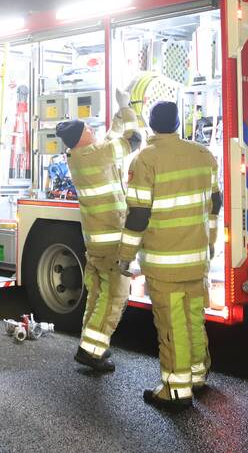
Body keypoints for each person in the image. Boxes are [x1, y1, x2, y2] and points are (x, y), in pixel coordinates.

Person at [119, 101, 221, 411]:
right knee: (193, 318)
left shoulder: (145, 159)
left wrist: (126, 255)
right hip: (197, 257)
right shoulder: (204, 155)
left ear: (150, 125)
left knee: (172, 323)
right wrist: (210, 244)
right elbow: (214, 206)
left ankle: (176, 391)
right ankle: (197, 375)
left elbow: (138, 215)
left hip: (165, 260)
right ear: (178, 123)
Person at [55, 96, 142, 372]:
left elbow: (111, 137)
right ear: (82, 138)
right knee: (115, 295)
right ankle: (92, 350)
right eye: (88, 130)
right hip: (112, 242)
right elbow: (133, 139)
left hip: (96, 242)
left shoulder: (82, 155)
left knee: (96, 295)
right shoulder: (97, 154)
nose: (93, 130)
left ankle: (91, 345)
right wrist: (130, 108)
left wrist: (120, 111)